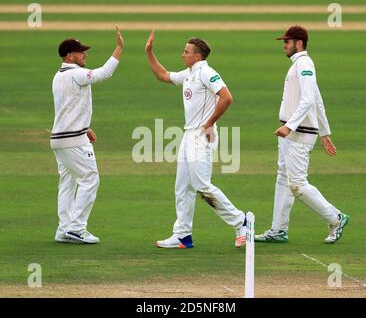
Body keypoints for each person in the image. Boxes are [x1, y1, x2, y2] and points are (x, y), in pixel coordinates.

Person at [145, 30, 247, 249]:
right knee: (182, 187)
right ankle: (182, 235)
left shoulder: (206, 73)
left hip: (201, 136)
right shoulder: (189, 74)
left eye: (186, 51)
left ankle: (242, 222)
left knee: (201, 185)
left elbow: (227, 97)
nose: (183, 55)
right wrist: (149, 52)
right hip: (188, 135)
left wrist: (209, 123)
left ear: (198, 56)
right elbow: (163, 75)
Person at [255, 25, 349, 244]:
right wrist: (325, 133)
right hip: (291, 132)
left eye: (286, 42)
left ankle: (336, 217)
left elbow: (308, 100)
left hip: (298, 133)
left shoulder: (304, 64)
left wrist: (290, 126)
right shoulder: (298, 65)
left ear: (299, 43)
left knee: (297, 184)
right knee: (283, 178)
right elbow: (317, 99)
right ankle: (278, 230)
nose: (283, 46)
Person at [51, 27, 124, 244]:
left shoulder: (59, 76)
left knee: (68, 182)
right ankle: (76, 228)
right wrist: (119, 49)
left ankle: (64, 229)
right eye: (81, 52)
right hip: (73, 140)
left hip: (61, 138)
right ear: (69, 56)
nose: (85, 55)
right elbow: (103, 73)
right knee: (90, 179)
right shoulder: (75, 74)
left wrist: (86, 127)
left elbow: (69, 106)